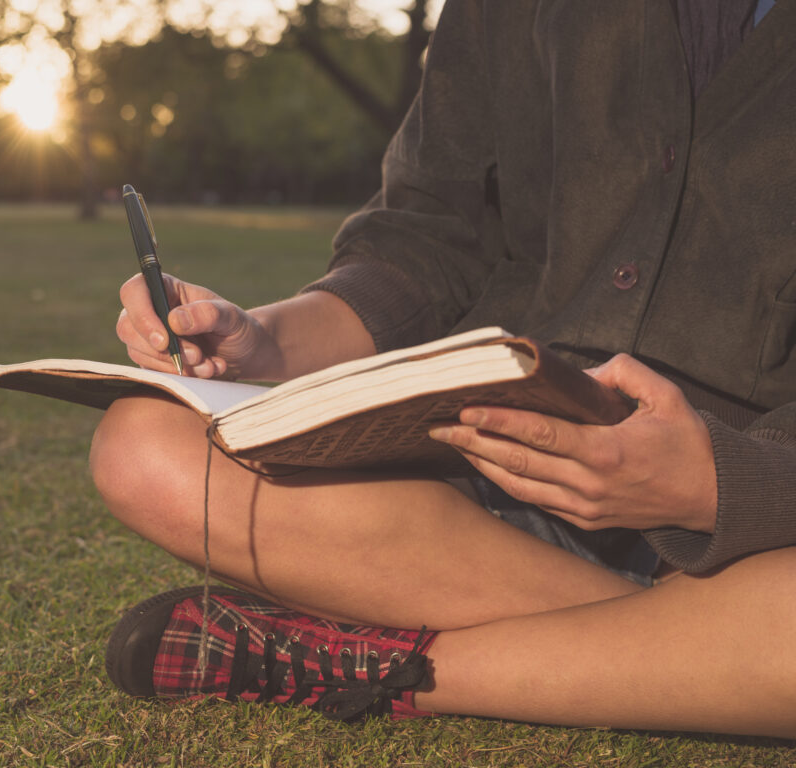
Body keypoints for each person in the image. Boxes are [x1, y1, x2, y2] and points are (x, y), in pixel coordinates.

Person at [89, 0, 796, 738]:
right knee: (148, 448)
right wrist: (259, 341)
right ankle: (700, 651)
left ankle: (386, 669)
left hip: (761, 524)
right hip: (486, 478)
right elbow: (427, 240)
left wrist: (716, 487)